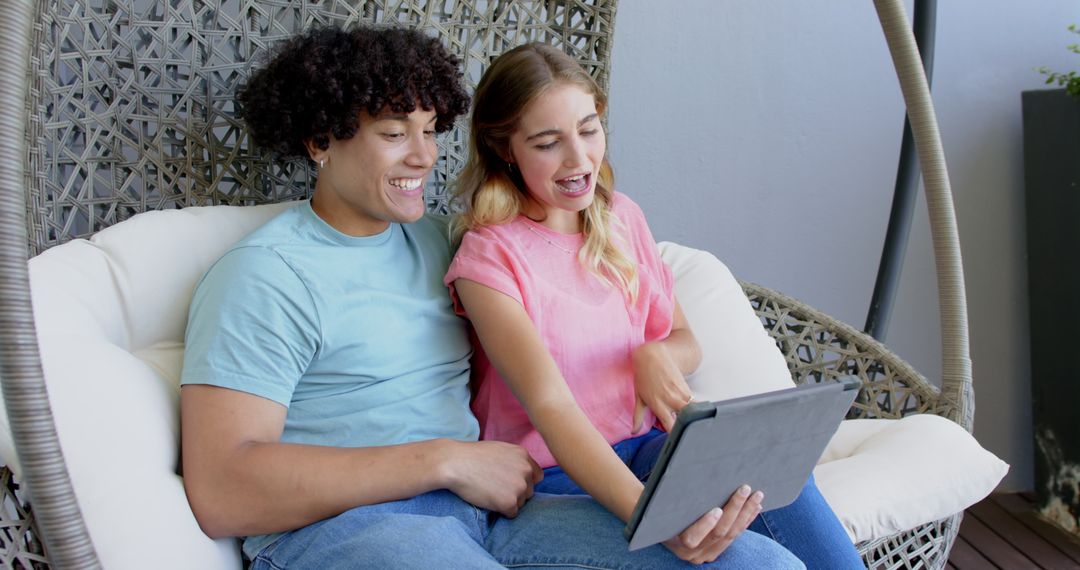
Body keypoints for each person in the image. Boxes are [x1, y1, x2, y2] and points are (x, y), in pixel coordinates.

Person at [180, 25, 804, 569]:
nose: (423, 157)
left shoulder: (440, 243)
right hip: (346, 527)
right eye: (395, 134)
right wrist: (445, 460)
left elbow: (558, 260)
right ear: (320, 142)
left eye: (429, 131)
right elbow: (222, 490)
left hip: (491, 512)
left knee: (753, 561)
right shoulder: (266, 276)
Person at [445, 42, 865, 569]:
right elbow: (551, 407)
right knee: (760, 564)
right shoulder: (489, 256)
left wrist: (656, 355)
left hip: (650, 451)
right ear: (506, 148)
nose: (579, 160)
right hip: (550, 482)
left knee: (784, 482)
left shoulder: (620, 217)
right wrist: (653, 520)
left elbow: (686, 342)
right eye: (549, 143)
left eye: (589, 130)